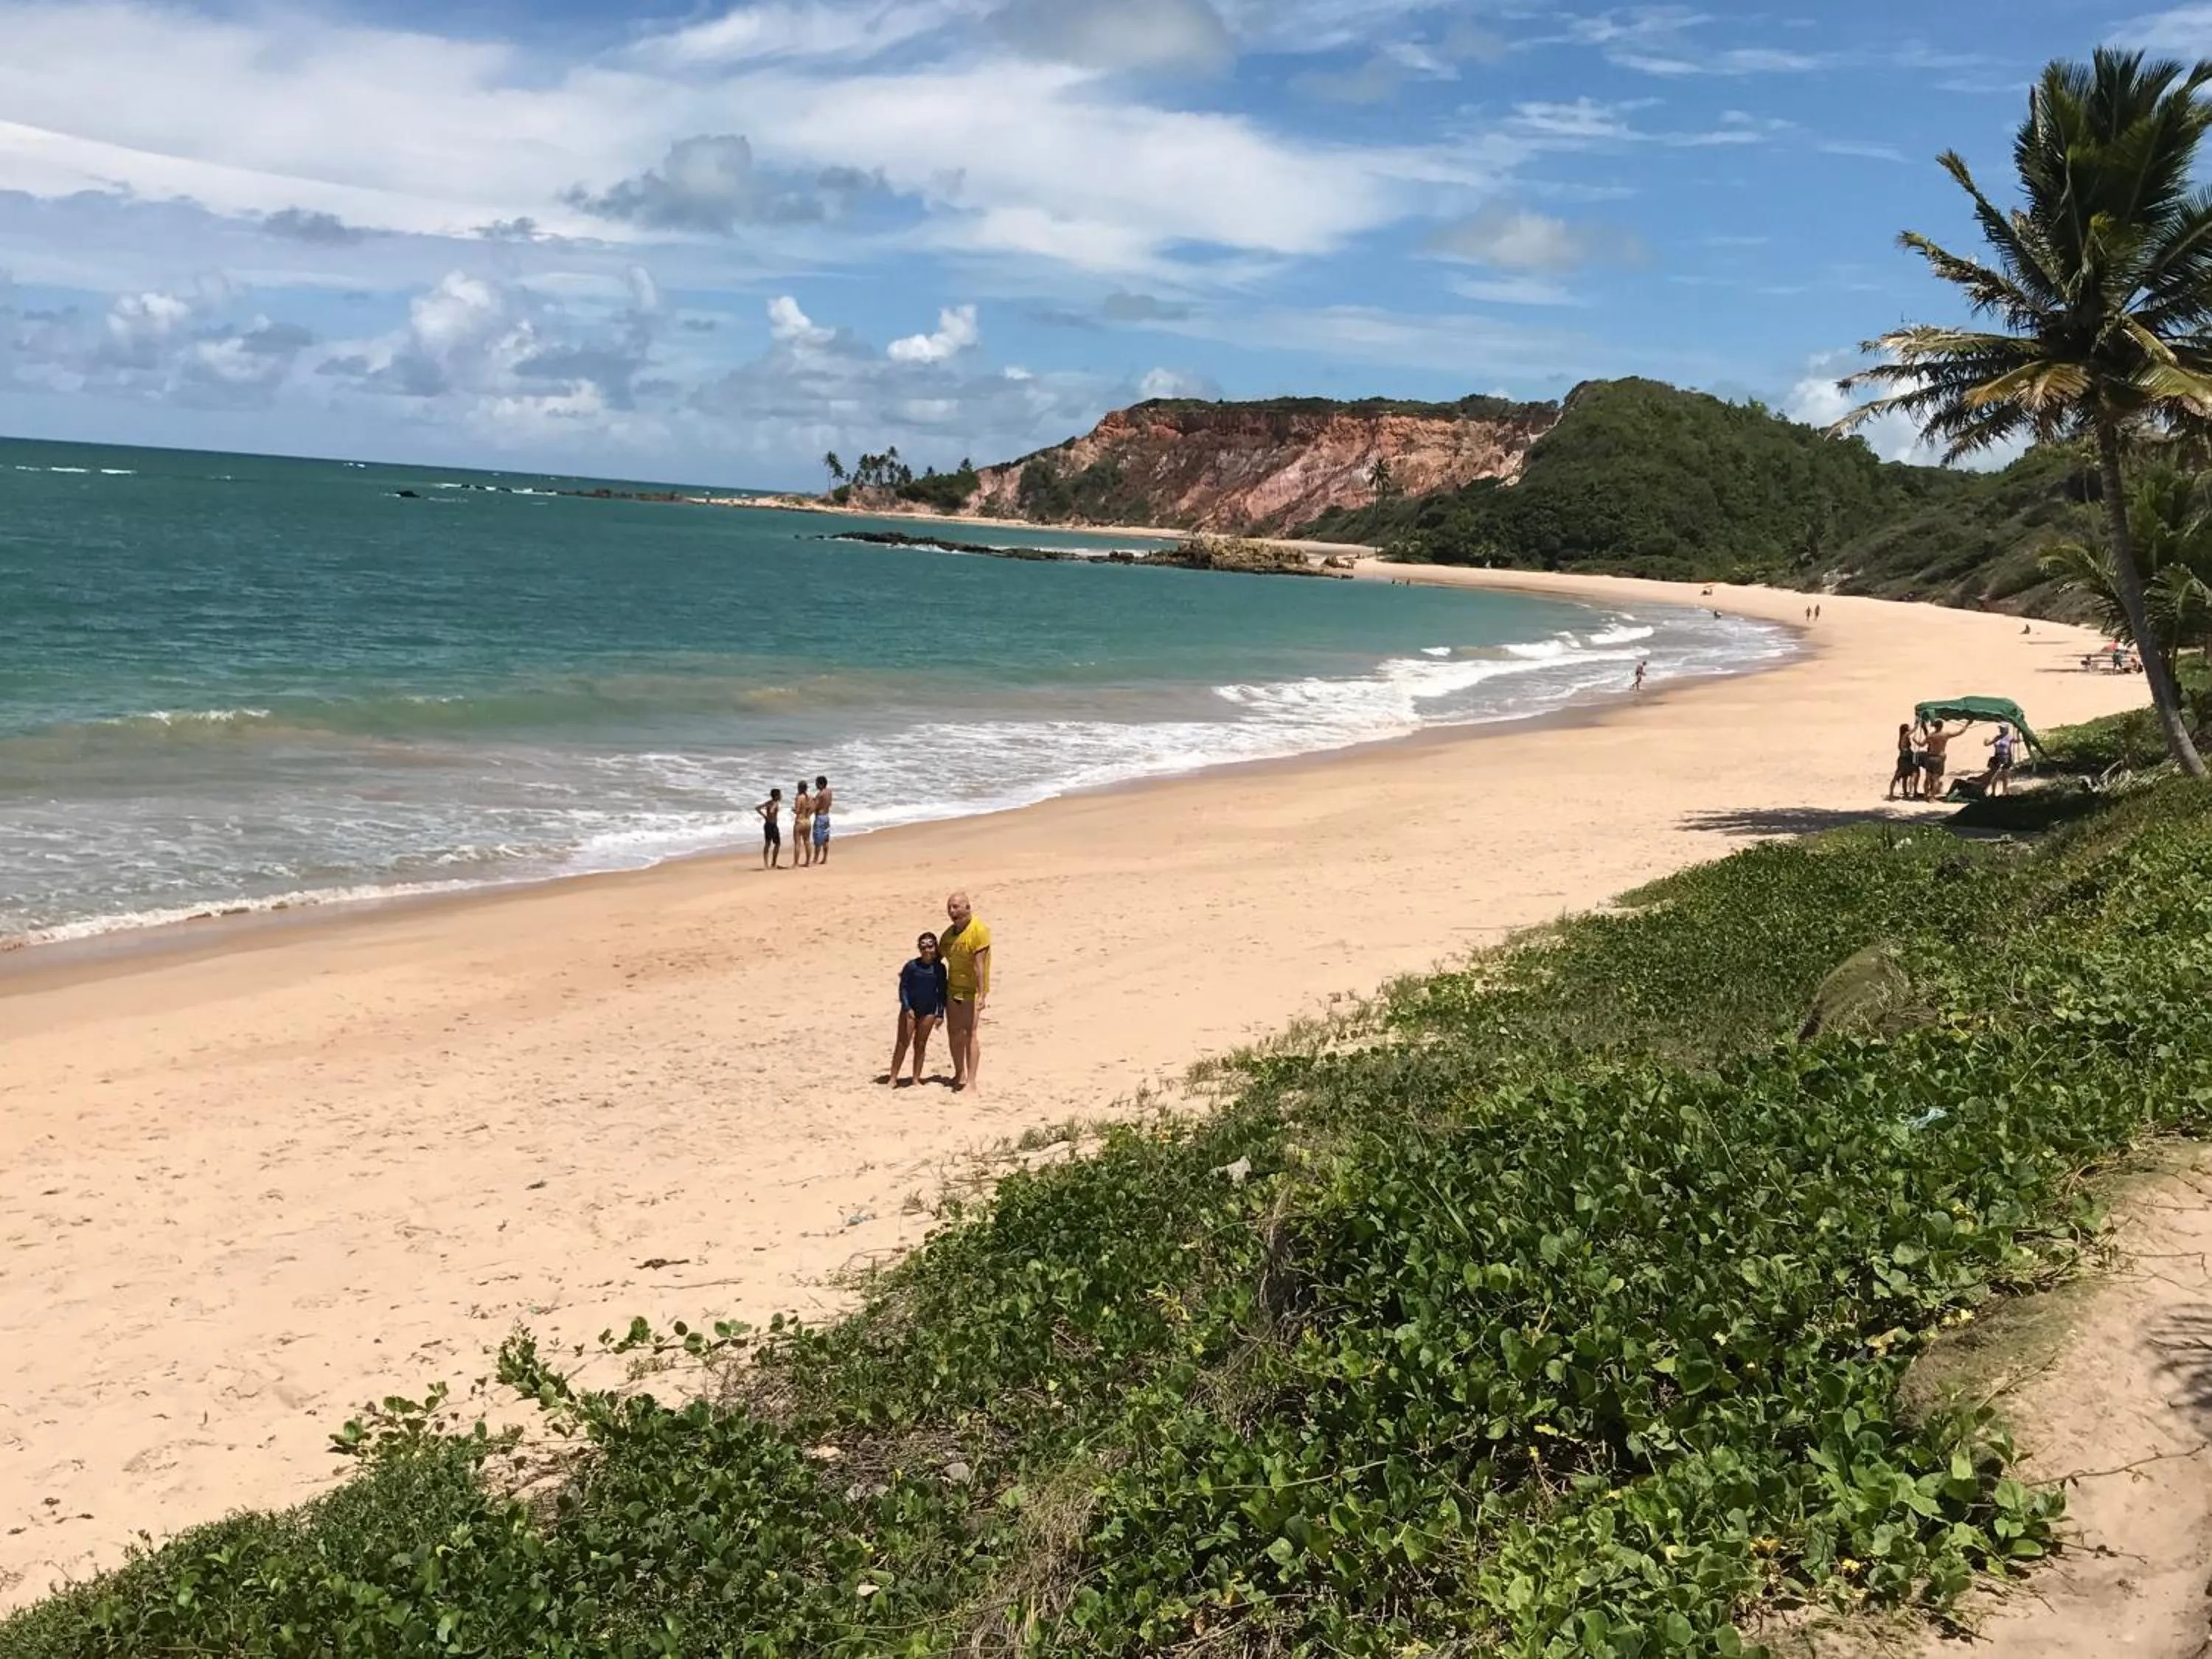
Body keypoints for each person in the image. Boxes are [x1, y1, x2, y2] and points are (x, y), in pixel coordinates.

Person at [939, 890, 992, 1093]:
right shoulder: (948, 935)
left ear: (967, 908)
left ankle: (971, 1081)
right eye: (949, 907)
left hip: (972, 991)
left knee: (970, 1033)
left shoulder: (979, 930)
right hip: (953, 988)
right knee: (954, 1032)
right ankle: (959, 1073)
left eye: (956, 907)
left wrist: (982, 995)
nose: (952, 911)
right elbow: (937, 959)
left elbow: (980, 966)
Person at [883, 931, 947, 1087]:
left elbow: (942, 992)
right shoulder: (912, 966)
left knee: (920, 1044)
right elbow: (903, 988)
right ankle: (893, 1077)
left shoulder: (940, 968)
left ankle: (916, 1078)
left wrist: (940, 1014)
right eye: (923, 946)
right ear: (919, 948)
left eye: (930, 946)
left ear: (935, 947)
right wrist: (907, 1007)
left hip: (929, 1010)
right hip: (911, 1009)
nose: (927, 950)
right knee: (902, 1043)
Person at [1919, 720, 1955, 799]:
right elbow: (1960, 732)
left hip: (1930, 757)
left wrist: (1915, 740)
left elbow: (1921, 744)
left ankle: (1926, 795)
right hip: (1938, 758)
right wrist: (1967, 724)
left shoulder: (1930, 736)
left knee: (1927, 778)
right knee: (1936, 779)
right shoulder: (1945, 735)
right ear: (1942, 726)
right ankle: (1932, 797)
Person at [1888, 722, 1920, 801]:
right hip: (1906, 759)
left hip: (1903, 759)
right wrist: (1918, 722)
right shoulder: (1905, 735)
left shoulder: (1901, 738)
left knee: (1903, 776)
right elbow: (1914, 730)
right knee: (1909, 773)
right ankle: (1906, 793)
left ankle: (1900, 793)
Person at [1982, 723, 2017, 796]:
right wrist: (1986, 742)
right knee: (1995, 776)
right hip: (1997, 758)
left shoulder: (2009, 738)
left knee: (2004, 776)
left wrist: (2018, 733)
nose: (2001, 730)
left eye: (2002, 728)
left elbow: (2018, 741)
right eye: (2000, 728)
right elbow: (1989, 744)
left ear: (2007, 729)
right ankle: (1993, 793)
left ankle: (2004, 792)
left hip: (2006, 758)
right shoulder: (1997, 737)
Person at [754, 787, 783, 870]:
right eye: (780, 795)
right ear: (777, 796)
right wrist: (774, 807)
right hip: (772, 826)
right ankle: (773, 864)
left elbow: (757, 808)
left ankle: (766, 864)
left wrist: (764, 816)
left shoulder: (769, 802)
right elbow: (771, 811)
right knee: (777, 844)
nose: (781, 796)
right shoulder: (775, 803)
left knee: (768, 844)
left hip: (767, 825)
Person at [790, 781, 815, 869]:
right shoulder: (810, 797)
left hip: (800, 821)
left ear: (799, 788)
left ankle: (796, 863)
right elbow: (813, 808)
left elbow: (797, 811)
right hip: (807, 821)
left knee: (797, 843)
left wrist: (793, 809)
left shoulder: (799, 798)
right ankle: (808, 863)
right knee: (807, 842)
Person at [812, 775, 834, 864]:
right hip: (826, 817)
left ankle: (815, 859)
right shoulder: (829, 792)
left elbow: (815, 806)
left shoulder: (820, 794)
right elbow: (829, 803)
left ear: (821, 784)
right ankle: (825, 859)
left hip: (820, 818)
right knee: (825, 839)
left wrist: (807, 813)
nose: (816, 785)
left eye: (817, 783)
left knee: (818, 840)